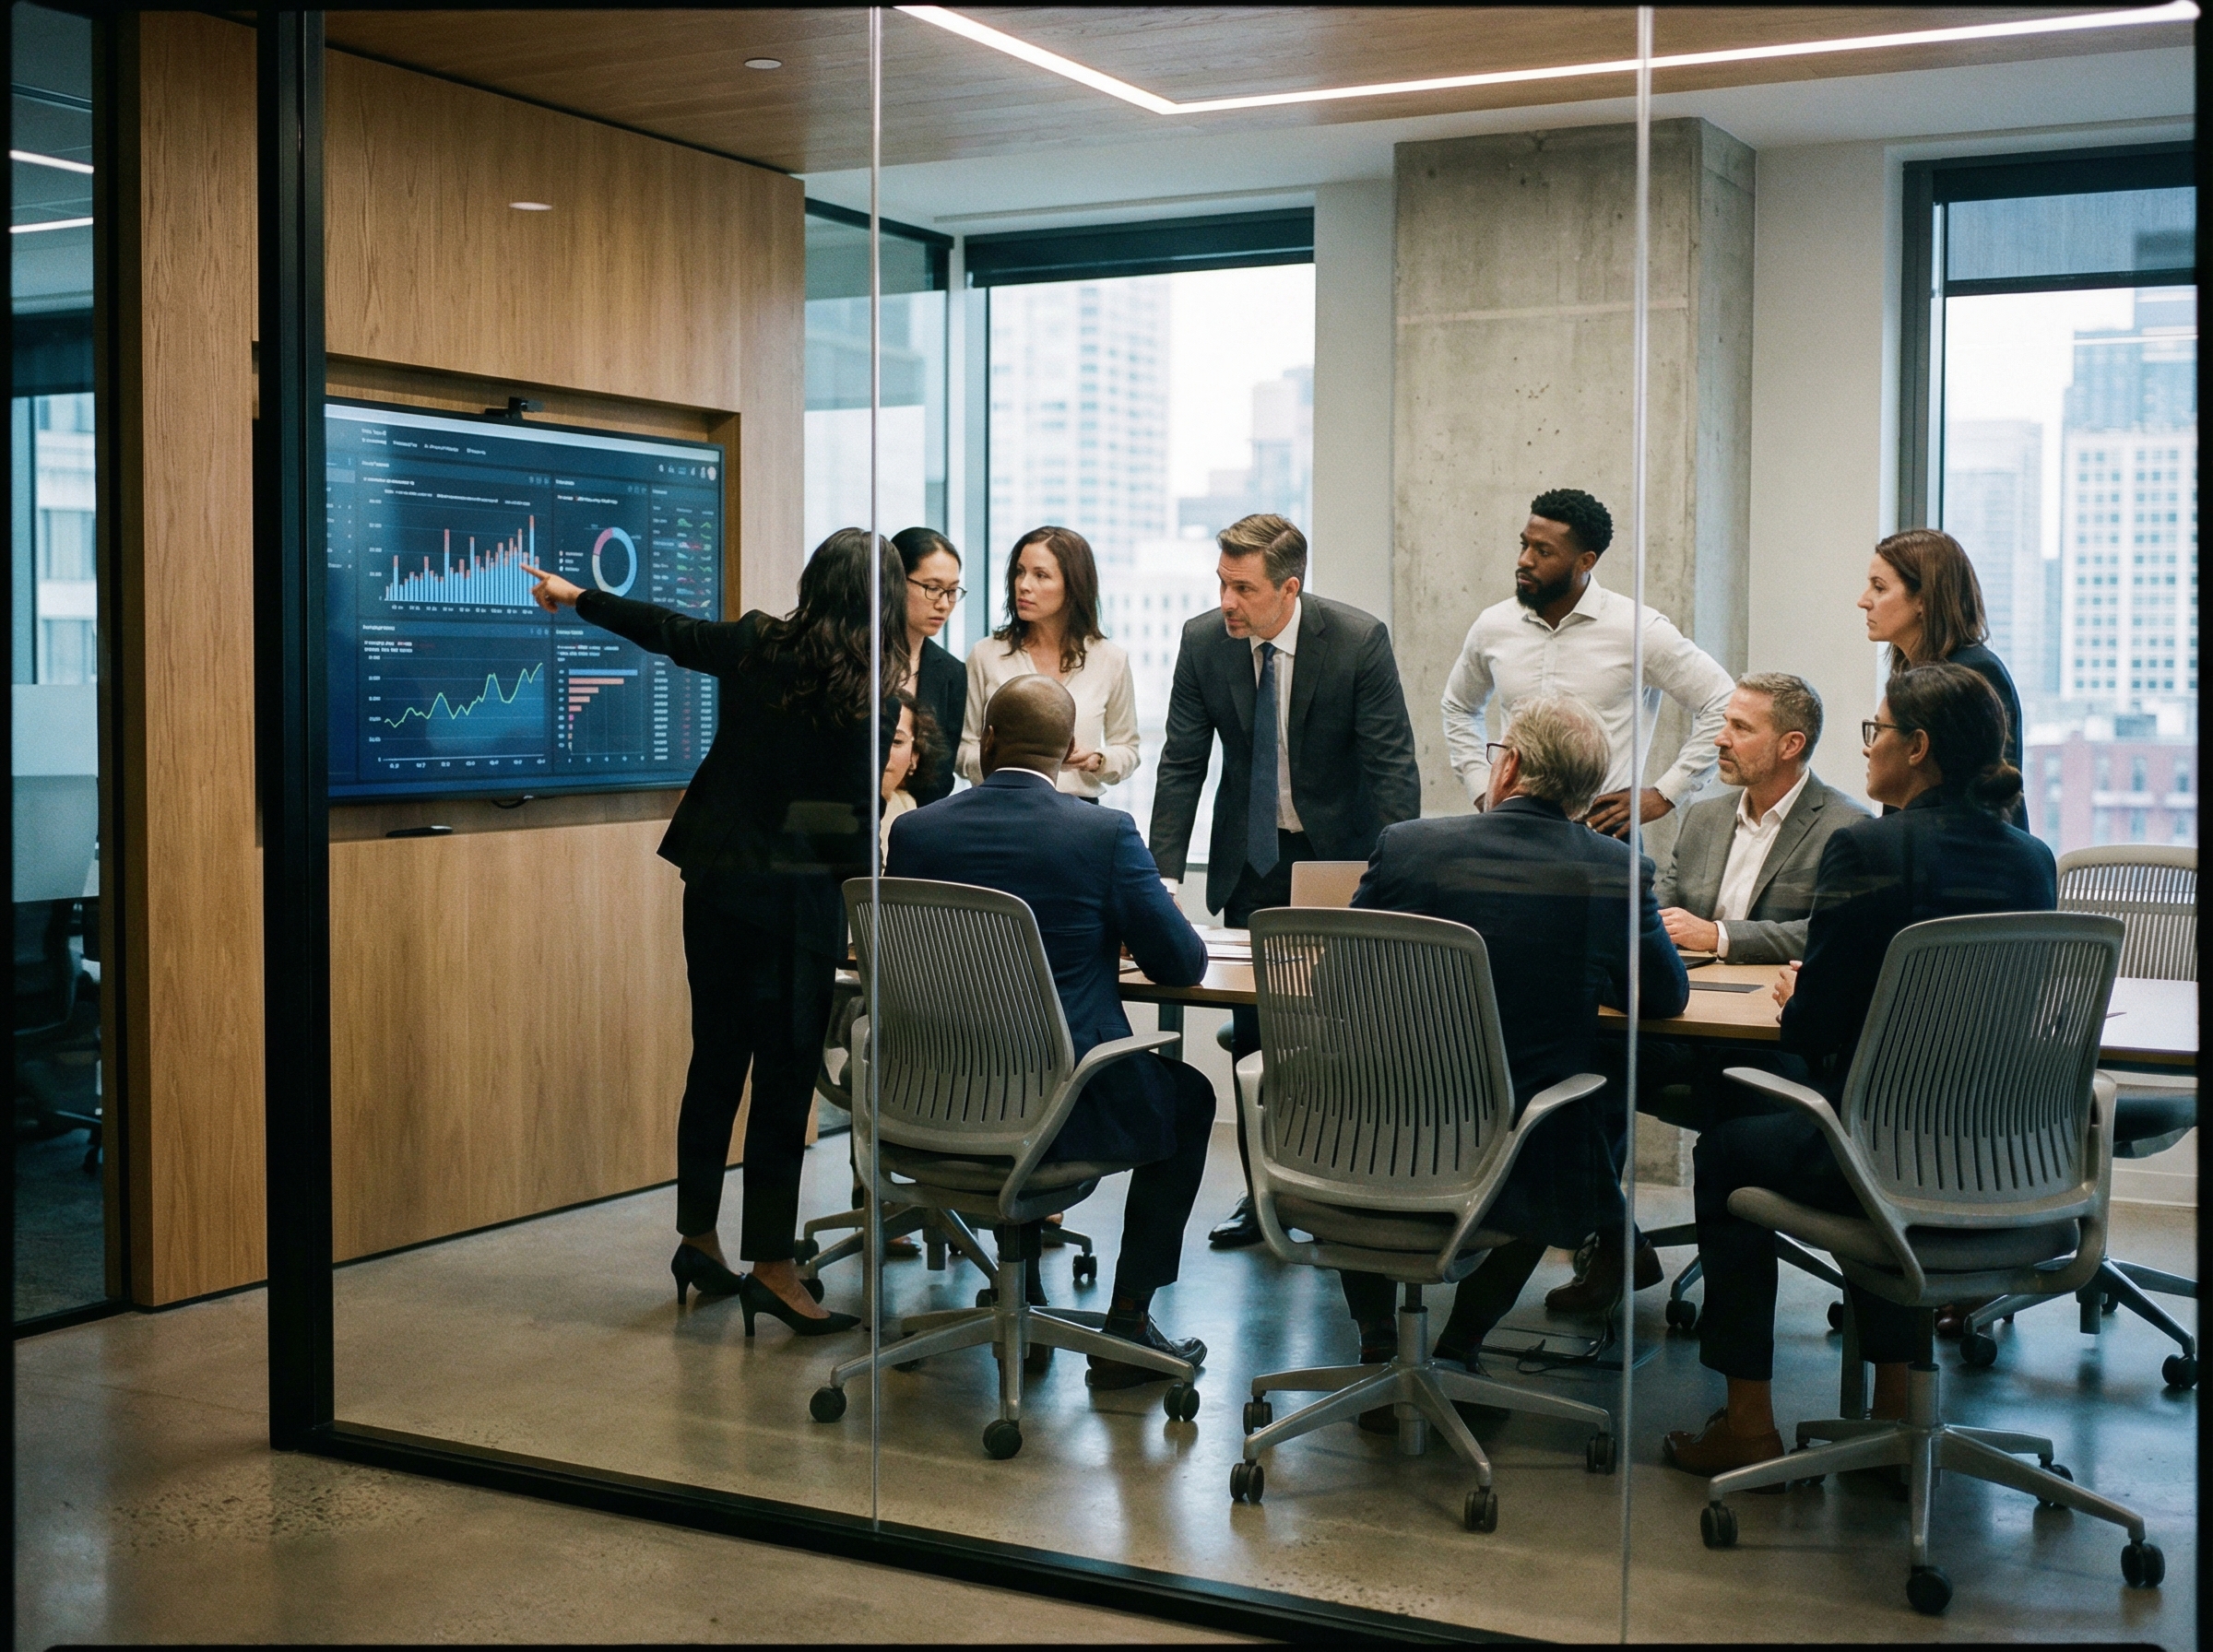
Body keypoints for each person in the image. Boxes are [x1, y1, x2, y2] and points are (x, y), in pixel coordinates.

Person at [1661, 662, 2054, 1476]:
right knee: (1882, 1137)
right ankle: (1892, 1408)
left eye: (1877, 732)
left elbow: (1815, 1026)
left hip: (1880, 1152)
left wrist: (1805, 987)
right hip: (2002, 1154)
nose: (1867, 748)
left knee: (1731, 1149)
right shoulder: (2032, 860)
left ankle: (1748, 1423)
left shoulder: (1866, 846)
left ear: (1917, 749)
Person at [519, 529, 906, 1341]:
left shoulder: (758, 642)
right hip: (797, 900)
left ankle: (698, 1237)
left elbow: (666, 628)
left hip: (721, 883)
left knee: (717, 1059)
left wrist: (575, 594)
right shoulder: (874, 692)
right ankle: (772, 1267)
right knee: (783, 1079)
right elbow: (851, 818)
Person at [1334, 695, 1689, 1398]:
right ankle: (1463, 1345)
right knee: (1568, 1123)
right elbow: (1665, 997)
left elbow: (1346, 972)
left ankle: (1379, 1343)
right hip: (1512, 1157)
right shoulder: (1613, 868)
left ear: (1511, 766)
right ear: (1587, 793)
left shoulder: (1408, 845)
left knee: (1369, 1114)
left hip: (1372, 1137)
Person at [887, 676, 1215, 1388]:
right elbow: (1181, 961)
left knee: (1014, 1056)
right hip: (1059, 1112)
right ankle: (1126, 1322)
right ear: (1070, 751)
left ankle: (1023, 1293)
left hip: (929, 1102)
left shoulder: (916, 833)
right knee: (1188, 1097)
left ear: (988, 743)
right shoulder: (1101, 833)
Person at [1547, 673, 1872, 1316]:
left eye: (1740, 728)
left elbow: (1825, 931)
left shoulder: (1845, 827)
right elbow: (1659, 908)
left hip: (1773, 1039)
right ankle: (1615, 1240)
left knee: (1735, 1104)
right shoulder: (1703, 818)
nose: (1720, 740)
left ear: (1790, 744)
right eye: (1724, 723)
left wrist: (1721, 935)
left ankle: (1742, 1291)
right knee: (1579, 1068)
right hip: (1685, 1021)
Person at [1147, 513, 1422, 1248]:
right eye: (1222, 583)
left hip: (1342, 864)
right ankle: (1265, 1195)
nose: (1227, 602)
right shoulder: (1205, 642)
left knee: (1350, 1028)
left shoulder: (1356, 640)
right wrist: (1162, 881)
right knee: (1259, 1032)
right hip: (1255, 863)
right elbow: (1181, 764)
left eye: (1243, 588)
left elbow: (1393, 766)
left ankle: (1349, 1184)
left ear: (1288, 588)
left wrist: (1399, 880)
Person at [1439, 488, 1734, 840]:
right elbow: (1459, 705)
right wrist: (1480, 786)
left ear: (1586, 561)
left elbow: (1722, 702)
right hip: (1511, 828)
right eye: (1525, 545)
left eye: (1544, 551)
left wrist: (1666, 793)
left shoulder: (1639, 629)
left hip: (1603, 833)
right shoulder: (1494, 625)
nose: (1525, 561)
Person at [958, 525, 1139, 802]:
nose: (1024, 585)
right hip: (999, 808)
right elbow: (963, 749)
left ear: (1074, 585)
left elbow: (1127, 749)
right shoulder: (986, 654)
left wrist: (1096, 760)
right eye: (1019, 572)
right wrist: (1009, 768)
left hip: (1077, 815)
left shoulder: (1110, 659)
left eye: (1040, 575)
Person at [1858, 527, 2024, 823]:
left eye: (1879, 588)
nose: (1863, 600)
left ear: (1922, 600)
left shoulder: (1975, 672)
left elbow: (1980, 798)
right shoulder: (1913, 672)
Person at [892, 526, 967, 806]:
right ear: (896, 582)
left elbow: (942, 773)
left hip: (916, 814)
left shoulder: (951, 672)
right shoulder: (857, 655)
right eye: (933, 589)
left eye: (952, 591)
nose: (944, 604)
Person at [877, 692, 944, 856]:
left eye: (896, 741)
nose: (883, 752)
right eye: (875, 738)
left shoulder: (914, 816)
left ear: (915, 755)